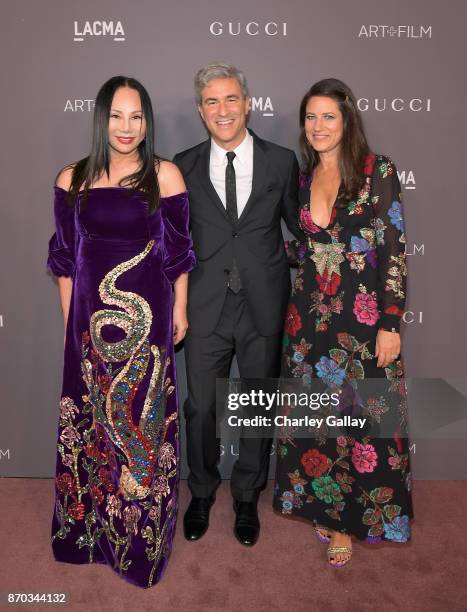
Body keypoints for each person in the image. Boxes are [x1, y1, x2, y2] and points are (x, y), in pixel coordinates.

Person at [47, 76, 195, 588]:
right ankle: (86, 534)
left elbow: (179, 257)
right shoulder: (74, 177)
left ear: (147, 121)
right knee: (90, 424)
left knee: (140, 424)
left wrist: (180, 310)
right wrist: (71, 322)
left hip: (147, 323)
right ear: (101, 118)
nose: (127, 127)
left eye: (136, 116)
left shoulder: (166, 175)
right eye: (116, 115)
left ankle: (137, 543)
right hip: (89, 323)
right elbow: (65, 262)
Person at [273, 78, 413, 567]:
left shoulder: (378, 171)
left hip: (363, 321)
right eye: (310, 117)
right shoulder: (304, 177)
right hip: (310, 321)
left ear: (347, 120)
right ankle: (329, 514)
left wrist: (390, 323)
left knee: (366, 424)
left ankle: (361, 519)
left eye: (328, 116)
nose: (317, 126)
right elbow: (306, 247)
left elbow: (392, 251)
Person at [173, 63, 304, 546]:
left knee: (257, 408)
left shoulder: (281, 161)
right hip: (204, 306)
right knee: (200, 408)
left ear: (247, 104)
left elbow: (300, 230)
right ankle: (202, 491)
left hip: (263, 306)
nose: (222, 110)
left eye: (231, 99)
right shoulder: (181, 166)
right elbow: (172, 241)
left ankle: (248, 495)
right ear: (200, 111)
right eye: (212, 102)